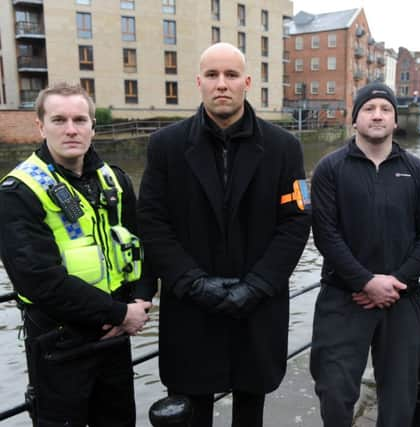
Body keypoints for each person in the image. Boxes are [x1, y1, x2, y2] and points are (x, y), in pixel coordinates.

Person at [137, 42, 311, 426]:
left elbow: (297, 222)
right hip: (191, 307)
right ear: (198, 82)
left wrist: (257, 285)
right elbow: (152, 221)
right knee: (189, 409)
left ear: (247, 82)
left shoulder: (284, 148)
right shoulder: (165, 146)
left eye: (231, 75)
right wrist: (192, 282)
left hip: (258, 307)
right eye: (212, 75)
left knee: (251, 409)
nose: (222, 84)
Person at [0, 82, 154, 426]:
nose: (71, 129)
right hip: (60, 344)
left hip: (113, 340)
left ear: (92, 126)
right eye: (59, 120)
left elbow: (141, 244)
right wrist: (119, 313)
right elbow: (39, 279)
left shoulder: (113, 180)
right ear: (40, 126)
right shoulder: (18, 191)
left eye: (80, 120)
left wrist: (141, 299)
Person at [309, 82, 420, 426]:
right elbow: (326, 233)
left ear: (396, 120)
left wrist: (397, 280)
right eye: (369, 109)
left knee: (400, 399)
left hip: (401, 298)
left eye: (386, 109)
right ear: (355, 119)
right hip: (343, 296)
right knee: (334, 392)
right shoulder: (329, 169)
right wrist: (365, 281)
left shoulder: (417, 171)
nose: (378, 115)